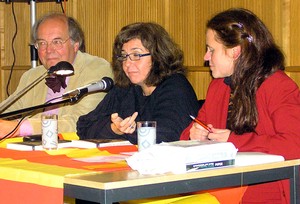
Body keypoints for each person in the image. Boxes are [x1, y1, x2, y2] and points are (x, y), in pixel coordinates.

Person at [180, 8, 300, 204]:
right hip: (221, 187)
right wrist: (194, 134)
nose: (205, 57)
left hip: (266, 192)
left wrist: (234, 140)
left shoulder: (278, 86)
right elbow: (187, 135)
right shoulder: (218, 87)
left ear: (235, 51)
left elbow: (295, 145)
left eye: (211, 50)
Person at [76, 22, 199, 144]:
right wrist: (115, 129)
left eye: (136, 55)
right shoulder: (125, 88)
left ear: (158, 56)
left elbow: (166, 136)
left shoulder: (176, 87)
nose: (127, 63)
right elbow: (84, 127)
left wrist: (126, 131)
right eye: (124, 56)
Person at [0, 12, 113, 138]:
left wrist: (18, 128)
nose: (48, 50)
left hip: (75, 150)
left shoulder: (97, 69)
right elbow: (7, 108)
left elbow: (82, 123)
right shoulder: (32, 76)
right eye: (42, 43)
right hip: (33, 148)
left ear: (75, 45)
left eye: (57, 42)